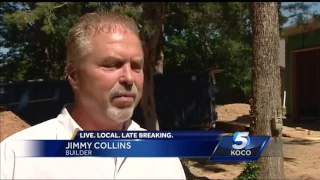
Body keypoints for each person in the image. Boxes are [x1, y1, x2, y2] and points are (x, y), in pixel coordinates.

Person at [0, 11, 187, 179]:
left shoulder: (163, 157)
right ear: (74, 75)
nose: (129, 78)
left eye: (136, 66)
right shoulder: (16, 158)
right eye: (112, 65)